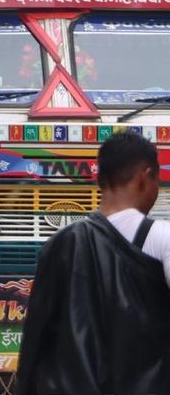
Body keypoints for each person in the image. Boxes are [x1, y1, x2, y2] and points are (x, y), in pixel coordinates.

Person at [18, 131, 170, 395]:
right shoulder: (162, 238)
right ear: (145, 177)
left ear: (100, 179)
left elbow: (35, 342)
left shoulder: (58, 245)